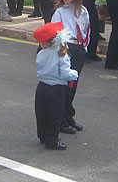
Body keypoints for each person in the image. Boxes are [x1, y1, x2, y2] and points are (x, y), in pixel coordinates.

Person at [51, 0, 88, 134]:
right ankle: (60, 118)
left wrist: (85, 48)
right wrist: (62, 51)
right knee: (64, 85)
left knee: (73, 84)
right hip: (67, 48)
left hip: (78, 48)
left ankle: (68, 114)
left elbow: (87, 30)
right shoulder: (59, 12)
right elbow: (56, 32)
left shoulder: (83, 11)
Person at [33, 22, 78, 150]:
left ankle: (42, 136)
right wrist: (74, 74)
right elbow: (65, 73)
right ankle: (51, 140)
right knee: (55, 115)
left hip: (42, 87)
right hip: (56, 88)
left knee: (42, 114)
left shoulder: (41, 53)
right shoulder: (62, 55)